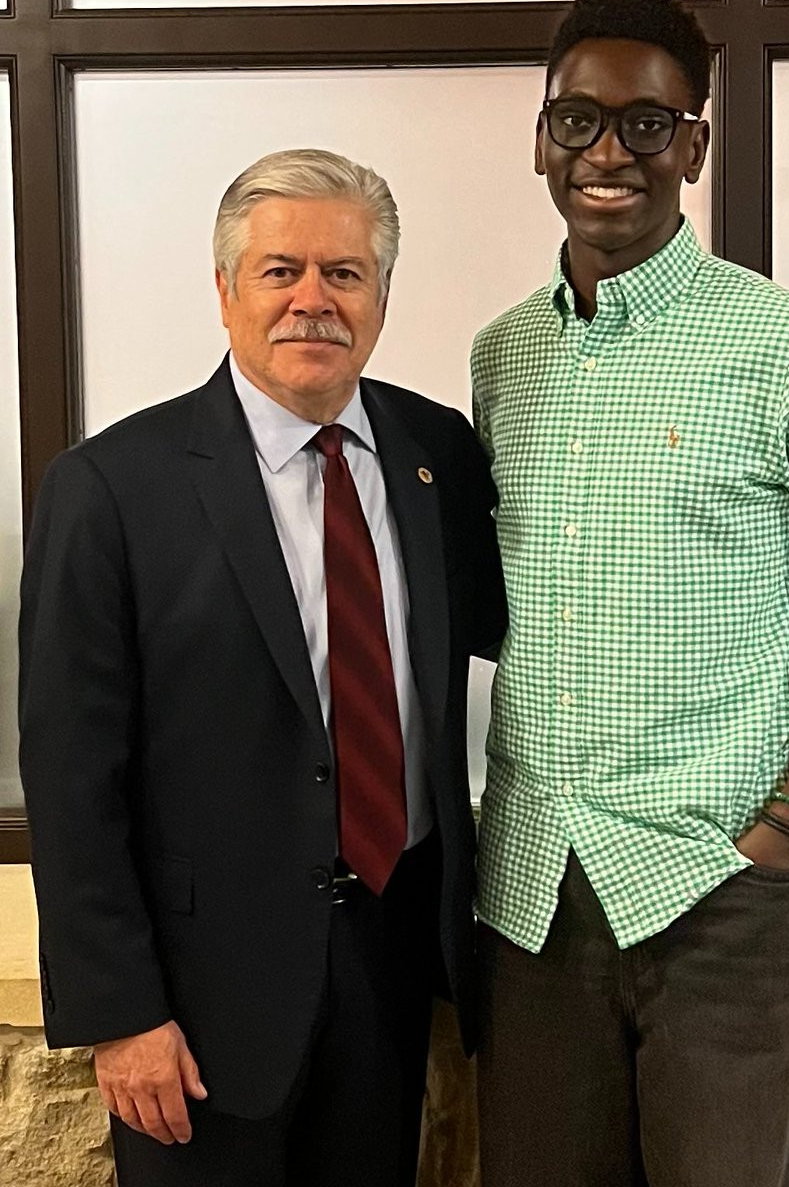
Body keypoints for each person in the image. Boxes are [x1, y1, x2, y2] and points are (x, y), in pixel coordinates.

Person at [472, 0, 789, 1186]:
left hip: (724, 893)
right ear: (541, 139)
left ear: (696, 146)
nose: (607, 153)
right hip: (536, 894)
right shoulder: (504, 355)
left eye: (647, 124)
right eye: (577, 120)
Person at [19, 147, 505, 1187]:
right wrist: (122, 1014)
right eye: (281, 270)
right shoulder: (111, 488)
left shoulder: (438, 455)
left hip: (391, 957)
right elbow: (70, 778)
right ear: (226, 288)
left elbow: (502, 635)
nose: (312, 300)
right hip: (199, 1000)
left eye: (345, 273)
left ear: (382, 296)